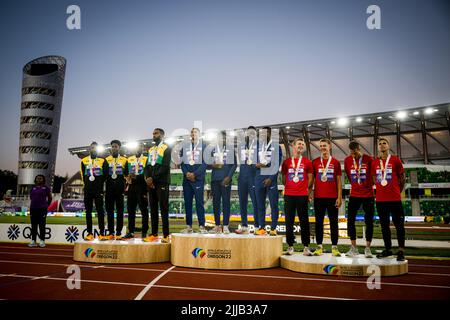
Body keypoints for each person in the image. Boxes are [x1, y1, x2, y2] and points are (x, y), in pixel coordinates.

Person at [371, 137, 406, 261]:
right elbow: (375, 179)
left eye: (384, 143)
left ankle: (401, 250)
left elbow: (402, 179)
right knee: (384, 226)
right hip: (381, 200)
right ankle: (388, 249)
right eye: (379, 144)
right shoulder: (375, 163)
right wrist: (381, 190)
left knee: (399, 226)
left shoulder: (396, 160)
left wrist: (397, 191)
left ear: (388, 146)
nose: (382, 145)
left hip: (395, 199)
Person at [281, 138, 314, 256]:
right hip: (289, 195)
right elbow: (283, 177)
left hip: (302, 195)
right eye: (298, 144)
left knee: (304, 221)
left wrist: (308, 190)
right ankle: (290, 246)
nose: (300, 146)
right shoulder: (286, 162)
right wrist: (289, 187)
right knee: (289, 221)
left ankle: (306, 246)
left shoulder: (307, 162)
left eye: (302, 144)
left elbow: (311, 178)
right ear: (293, 146)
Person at [312, 138, 342, 256]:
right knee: (318, 222)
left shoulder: (335, 162)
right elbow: (311, 180)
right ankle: (319, 247)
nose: (323, 147)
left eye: (325, 145)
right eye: (321, 146)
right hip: (318, 197)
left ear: (330, 147)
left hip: (332, 197)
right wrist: (310, 193)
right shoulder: (315, 162)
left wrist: (339, 197)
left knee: (333, 222)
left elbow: (339, 181)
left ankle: (334, 247)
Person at [344, 140, 375, 258]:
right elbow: (348, 175)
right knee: (350, 220)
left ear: (359, 149)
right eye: (351, 153)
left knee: (369, 222)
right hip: (354, 195)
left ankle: (368, 248)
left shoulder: (369, 159)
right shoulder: (347, 160)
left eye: (355, 153)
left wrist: (366, 185)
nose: (353, 155)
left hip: (368, 195)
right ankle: (354, 247)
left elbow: (372, 176)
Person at [144, 128, 172, 243]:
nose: (153, 135)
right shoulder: (151, 149)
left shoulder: (167, 148)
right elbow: (147, 166)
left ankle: (165, 235)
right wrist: (147, 178)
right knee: (153, 209)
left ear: (162, 135)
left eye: (156, 133)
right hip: (151, 183)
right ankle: (154, 233)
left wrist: (153, 178)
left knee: (163, 208)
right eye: (153, 133)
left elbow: (165, 166)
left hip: (162, 182)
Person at [254, 126, 283, 236]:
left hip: (271, 179)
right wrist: (255, 164)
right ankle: (261, 228)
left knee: (273, 204)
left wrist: (271, 178)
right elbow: (251, 162)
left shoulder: (276, 146)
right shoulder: (257, 147)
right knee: (260, 205)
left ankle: (273, 228)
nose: (262, 135)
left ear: (269, 133)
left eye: (265, 133)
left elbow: (277, 164)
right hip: (259, 178)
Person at [180, 128, 208, 234]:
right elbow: (182, 163)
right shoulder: (185, 146)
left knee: (199, 203)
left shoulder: (205, 146)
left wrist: (195, 174)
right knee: (187, 203)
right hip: (187, 179)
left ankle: (201, 226)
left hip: (198, 179)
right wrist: (187, 173)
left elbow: (205, 163)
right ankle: (189, 226)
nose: (193, 134)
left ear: (200, 135)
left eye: (195, 132)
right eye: (191, 132)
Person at [209, 131, 237, 234]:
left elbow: (234, 165)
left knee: (226, 202)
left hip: (226, 179)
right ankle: (217, 225)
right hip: (215, 179)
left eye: (223, 138)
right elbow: (207, 164)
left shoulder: (230, 149)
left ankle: (225, 226)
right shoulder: (212, 149)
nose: (222, 140)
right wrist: (212, 164)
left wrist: (229, 177)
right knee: (216, 203)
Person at [80, 142, 108, 240]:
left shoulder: (102, 160)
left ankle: (101, 233)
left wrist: (99, 182)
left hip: (98, 189)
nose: (94, 149)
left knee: (100, 211)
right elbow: (83, 175)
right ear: (89, 149)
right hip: (88, 190)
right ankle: (89, 233)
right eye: (92, 148)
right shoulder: (83, 160)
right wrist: (86, 185)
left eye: (95, 148)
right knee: (88, 212)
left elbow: (105, 175)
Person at [122, 143, 149, 239]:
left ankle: (144, 231)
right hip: (132, 188)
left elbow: (148, 172)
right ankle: (131, 231)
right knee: (131, 211)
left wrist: (138, 177)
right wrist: (127, 178)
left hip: (142, 187)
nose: (138, 149)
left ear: (143, 149)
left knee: (144, 210)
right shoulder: (129, 159)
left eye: (140, 148)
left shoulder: (146, 158)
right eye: (136, 148)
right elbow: (125, 172)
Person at [235, 126, 258, 235]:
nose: (251, 135)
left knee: (255, 203)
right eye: (249, 133)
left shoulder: (258, 146)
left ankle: (257, 226)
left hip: (253, 177)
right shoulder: (241, 146)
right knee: (242, 203)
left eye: (253, 133)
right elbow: (241, 159)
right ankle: (244, 226)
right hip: (242, 177)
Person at [104, 140, 128, 240]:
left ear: (119, 148)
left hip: (119, 190)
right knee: (109, 211)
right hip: (109, 189)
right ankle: (110, 232)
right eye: (112, 146)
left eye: (116, 146)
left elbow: (126, 175)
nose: (114, 148)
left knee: (120, 211)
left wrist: (125, 186)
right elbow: (104, 175)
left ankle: (118, 232)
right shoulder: (106, 160)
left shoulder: (124, 160)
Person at [28, 175, 52, 248]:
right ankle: (33, 241)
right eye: (37, 178)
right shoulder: (33, 188)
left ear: (43, 180)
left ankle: (42, 241)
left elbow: (50, 198)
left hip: (42, 209)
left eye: (41, 178)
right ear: (35, 180)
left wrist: (46, 205)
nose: (39, 179)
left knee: (42, 225)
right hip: (33, 209)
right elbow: (31, 197)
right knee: (33, 225)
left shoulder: (46, 188)